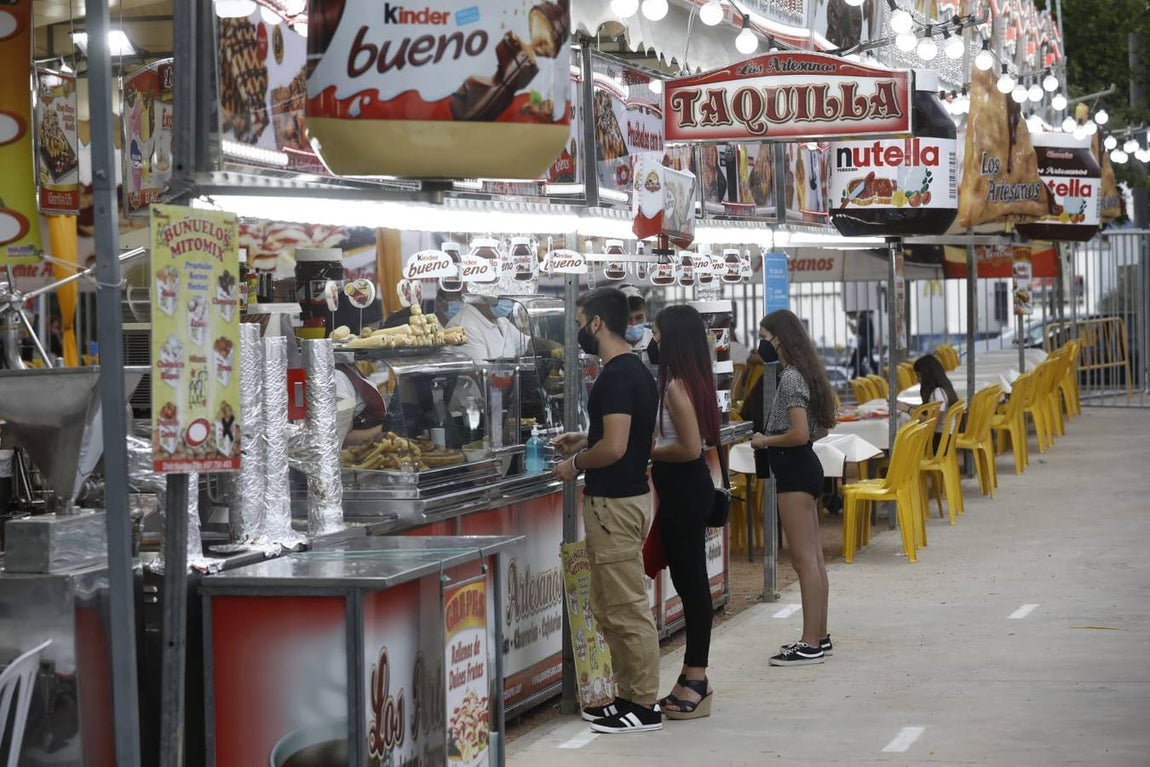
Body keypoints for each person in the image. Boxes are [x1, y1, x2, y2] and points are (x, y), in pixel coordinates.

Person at [552, 286, 662, 733]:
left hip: (615, 506)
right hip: (623, 500)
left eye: (581, 323)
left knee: (627, 608)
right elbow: (632, 439)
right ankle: (627, 695)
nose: (580, 332)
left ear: (597, 323)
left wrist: (576, 463)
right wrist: (586, 438)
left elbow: (615, 448)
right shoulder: (635, 372)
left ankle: (644, 705)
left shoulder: (616, 377)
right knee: (609, 605)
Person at [750, 309, 838, 666]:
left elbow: (799, 433)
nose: (761, 345)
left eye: (764, 337)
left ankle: (810, 642)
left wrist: (765, 440)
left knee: (803, 560)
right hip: (805, 467)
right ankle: (820, 635)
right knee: (813, 558)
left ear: (779, 338)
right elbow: (821, 429)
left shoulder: (789, 378)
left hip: (793, 470)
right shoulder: (806, 373)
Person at [646, 305, 720, 719]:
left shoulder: (676, 386)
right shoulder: (692, 380)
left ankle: (697, 677)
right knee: (690, 582)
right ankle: (690, 676)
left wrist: (648, 451)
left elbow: (689, 448)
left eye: (656, 335)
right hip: (685, 491)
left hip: (685, 491)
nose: (652, 342)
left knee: (692, 585)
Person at [899, 354, 959, 452]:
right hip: (945, 438)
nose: (917, 380)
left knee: (903, 438)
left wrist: (908, 410)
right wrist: (904, 404)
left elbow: (931, 422)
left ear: (927, 375)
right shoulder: (943, 389)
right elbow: (926, 408)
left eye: (919, 375)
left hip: (938, 442)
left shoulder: (938, 394)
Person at [847, 310, 876, 378]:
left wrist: (851, 326)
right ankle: (858, 375)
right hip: (865, 345)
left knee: (856, 361)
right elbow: (857, 332)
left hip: (864, 345)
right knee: (859, 362)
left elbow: (857, 332)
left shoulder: (865, 321)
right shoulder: (864, 320)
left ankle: (857, 376)